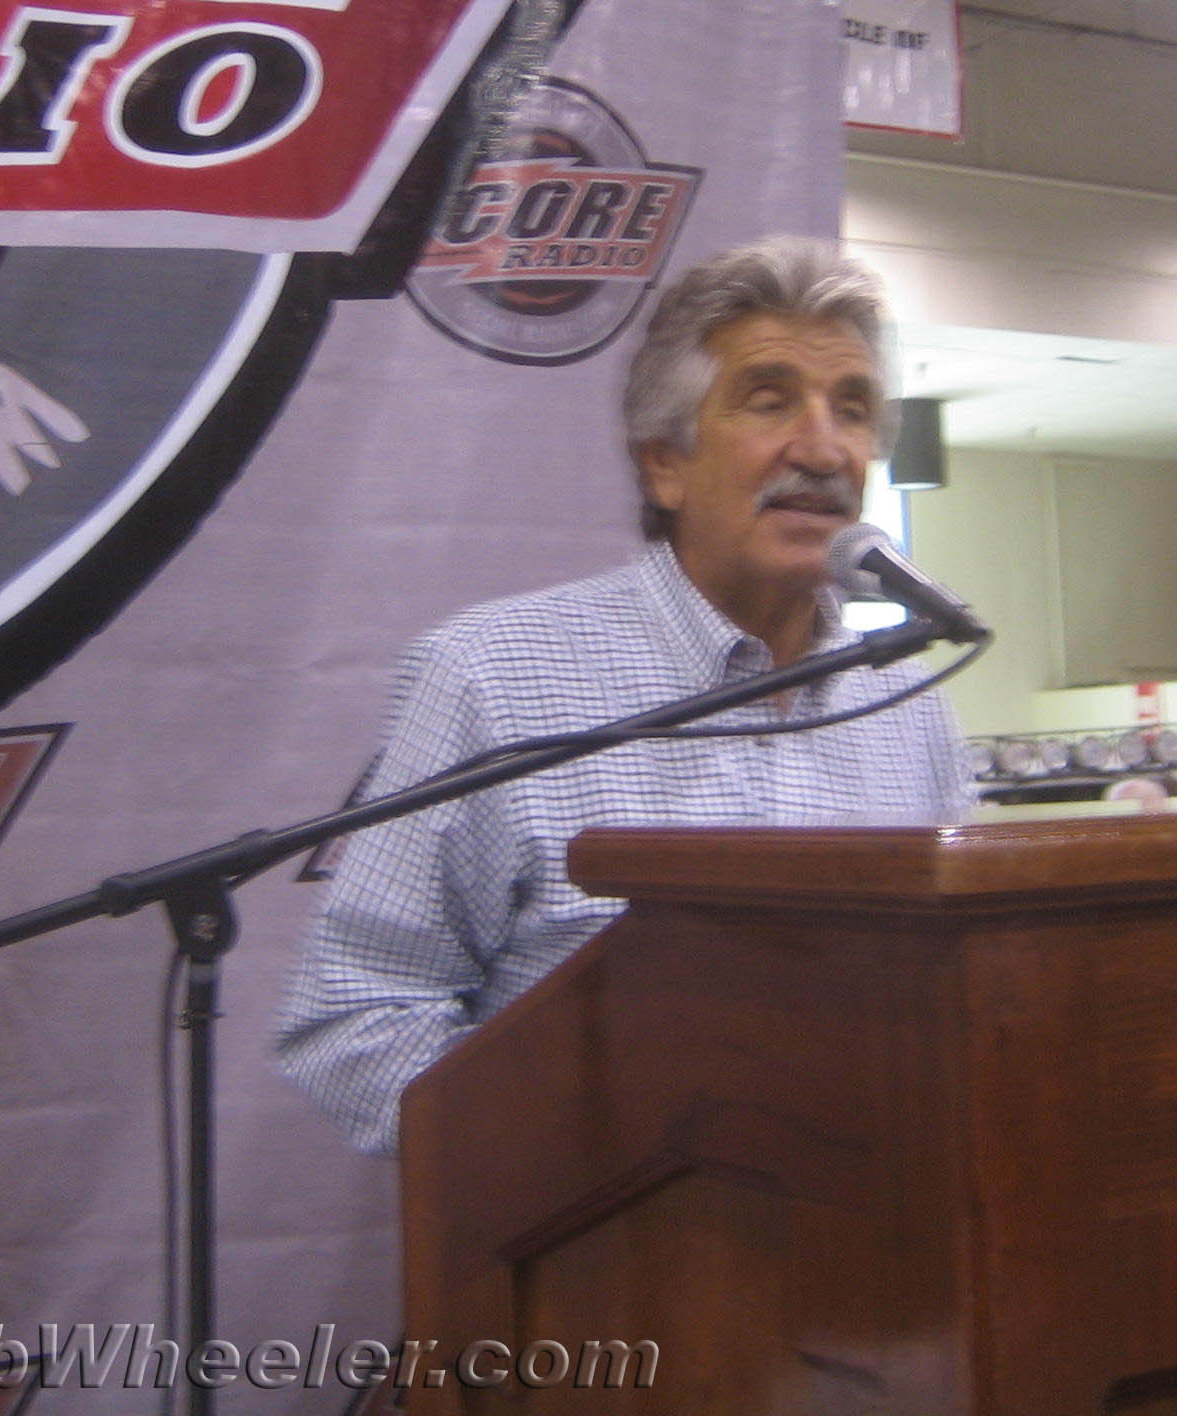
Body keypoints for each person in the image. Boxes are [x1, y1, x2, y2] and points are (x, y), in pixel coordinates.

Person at [277, 236, 973, 1153]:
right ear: (663, 466)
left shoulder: (911, 706)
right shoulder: (493, 676)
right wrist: (603, 1150)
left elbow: (969, 990)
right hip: (605, 1224)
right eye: (770, 400)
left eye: (852, 408)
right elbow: (356, 1021)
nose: (823, 448)